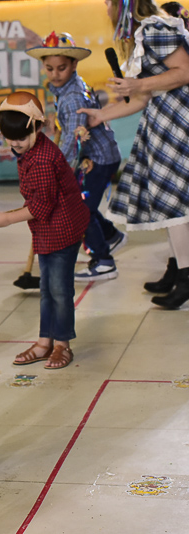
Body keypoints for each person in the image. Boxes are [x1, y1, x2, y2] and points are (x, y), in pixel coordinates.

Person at [78, 0, 189, 309]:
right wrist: (102, 115)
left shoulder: (156, 28)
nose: (105, 8)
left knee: (174, 204)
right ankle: (177, 266)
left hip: (179, 123)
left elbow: (184, 71)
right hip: (164, 123)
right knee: (168, 202)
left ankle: (186, 276)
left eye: (108, 2)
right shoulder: (146, 32)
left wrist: (136, 83)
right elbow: (141, 98)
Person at [0, 92, 90, 370]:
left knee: (59, 291)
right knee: (47, 289)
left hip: (62, 230)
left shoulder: (43, 159)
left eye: (21, 138)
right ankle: (45, 342)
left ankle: (62, 345)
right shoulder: (30, 150)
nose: (15, 144)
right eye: (9, 138)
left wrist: (8, 218)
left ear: (37, 127)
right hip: (47, 231)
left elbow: (41, 206)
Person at [27, 31, 125, 282]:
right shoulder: (67, 87)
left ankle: (104, 261)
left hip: (98, 158)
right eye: (49, 68)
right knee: (83, 201)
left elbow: (74, 140)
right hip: (95, 155)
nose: (55, 74)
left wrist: (58, 170)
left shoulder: (72, 96)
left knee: (79, 209)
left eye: (61, 68)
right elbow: (69, 126)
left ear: (73, 65)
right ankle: (110, 236)